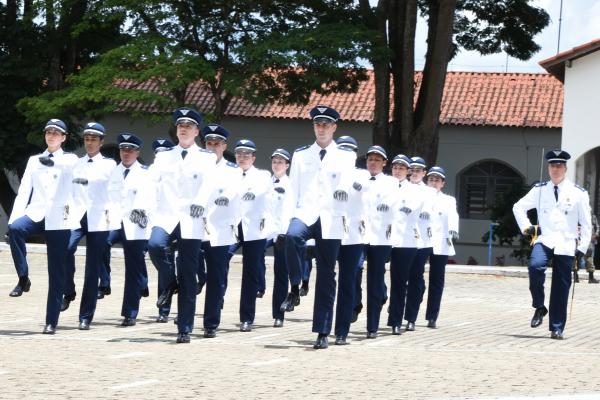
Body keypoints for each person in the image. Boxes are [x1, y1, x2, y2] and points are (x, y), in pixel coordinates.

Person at [282, 105, 355, 349]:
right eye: (317, 124)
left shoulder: (346, 155)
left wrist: (343, 190)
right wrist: (288, 219)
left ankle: (323, 331)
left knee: (327, 274)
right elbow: (293, 189)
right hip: (305, 213)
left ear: (334, 127)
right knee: (292, 237)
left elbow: (346, 179)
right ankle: (296, 284)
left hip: (331, 218)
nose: (321, 128)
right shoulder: (301, 154)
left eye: (326, 124)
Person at [144, 108, 217, 343]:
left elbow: (209, 185)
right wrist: (141, 208)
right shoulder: (164, 156)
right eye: (180, 126)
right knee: (155, 246)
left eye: (188, 126)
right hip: (166, 216)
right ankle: (169, 281)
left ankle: (184, 328)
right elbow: (150, 182)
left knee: (188, 272)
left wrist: (200, 203)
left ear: (196, 131)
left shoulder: (206, 158)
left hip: (191, 218)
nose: (183, 129)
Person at [7, 119, 79, 333]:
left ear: (64, 138)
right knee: (15, 229)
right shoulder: (34, 160)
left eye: (56, 133)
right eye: (48, 132)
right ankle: (23, 278)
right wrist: (13, 219)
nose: (51, 136)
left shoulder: (70, 159)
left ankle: (51, 321)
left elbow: (71, 173)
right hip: (36, 213)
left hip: (59, 219)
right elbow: (24, 191)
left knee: (56, 271)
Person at [513, 149, 591, 339]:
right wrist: (527, 228)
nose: (555, 169)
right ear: (548, 168)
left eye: (559, 166)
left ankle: (557, 327)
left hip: (566, 243)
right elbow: (518, 207)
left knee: (561, 286)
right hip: (545, 239)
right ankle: (539, 306)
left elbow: (586, 224)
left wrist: (581, 249)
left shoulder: (578, 193)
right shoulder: (539, 190)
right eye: (552, 166)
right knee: (535, 266)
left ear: (565, 168)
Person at [65, 122, 119, 330]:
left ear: (101, 142)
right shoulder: (76, 164)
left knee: (92, 268)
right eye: (87, 139)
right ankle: (68, 291)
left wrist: (113, 219)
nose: (89, 142)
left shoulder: (109, 165)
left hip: (98, 218)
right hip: (77, 216)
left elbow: (115, 194)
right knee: (65, 249)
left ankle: (86, 315)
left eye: (93, 139)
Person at [200, 123, 242, 338]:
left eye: (217, 144)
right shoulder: (195, 166)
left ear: (224, 146)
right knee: (190, 272)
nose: (212, 147)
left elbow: (234, 194)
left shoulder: (232, 170)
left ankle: (210, 322)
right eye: (209, 143)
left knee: (216, 277)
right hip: (195, 227)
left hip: (219, 229)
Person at [228, 139, 272, 332]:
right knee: (219, 262)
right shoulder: (228, 174)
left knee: (250, 272)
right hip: (230, 226)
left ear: (253, 158)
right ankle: (215, 305)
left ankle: (247, 317)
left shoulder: (262, 175)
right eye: (239, 154)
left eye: (246, 155)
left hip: (253, 228)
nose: (242, 158)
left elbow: (258, 192)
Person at [107, 133, 151, 326]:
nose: (126, 153)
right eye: (124, 149)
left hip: (135, 223)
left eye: (131, 150)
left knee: (132, 268)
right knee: (100, 246)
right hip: (114, 222)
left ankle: (130, 313)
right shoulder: (111, 172)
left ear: (137, 152)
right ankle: (104, 283)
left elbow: (151, 199)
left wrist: (144, 217)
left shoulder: (145, 173)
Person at [333, 136, 369, 345]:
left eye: (350, 151)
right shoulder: (329, 172)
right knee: (328, 280)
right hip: (331, 231)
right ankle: (325, 326)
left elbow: (360, 190)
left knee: (350, 278)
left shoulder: (362, 175)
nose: (345, 154)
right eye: (342, 150)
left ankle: (343, 328)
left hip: (353, 234)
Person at [361, 146, 399, 339]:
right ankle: (354, 304)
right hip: (358, 235)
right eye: (370, 159)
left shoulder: (391, 182)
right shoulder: (358, 179)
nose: (373, 162)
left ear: (384, 163)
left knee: (375, 280)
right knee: (352, 273)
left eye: (377, 159)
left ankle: (372, 326)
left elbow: (392, 201)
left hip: (379, 236)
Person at [387, 154, 424, 335]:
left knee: (400, 282)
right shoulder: (383, 184)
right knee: (377, 280)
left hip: (404, 241)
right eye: (395, 167)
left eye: (402, 168)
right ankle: (381, 298)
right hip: (381, 238)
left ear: (408, 172)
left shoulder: (415, 191)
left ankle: (395, 320)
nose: (398, 171)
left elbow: (410, 208)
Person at [423, 166, 459, 328]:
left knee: (437, 280)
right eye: (431, 179)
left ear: (443, 183)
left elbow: (453, 215)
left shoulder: (448, 200)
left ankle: (432, 316)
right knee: (415, 276)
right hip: (421, 240)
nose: (433, 182)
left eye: (437, 180)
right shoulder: (419, 195)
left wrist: (453, 229)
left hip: (440, 242)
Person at [404, 156, 436, 332]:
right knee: (400, 278)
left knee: (415, 278)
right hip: (401, 240)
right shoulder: (401, 186)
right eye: (412, 170)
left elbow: (429, 209)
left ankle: (411, 317)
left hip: (421, 241)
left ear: (424, 173)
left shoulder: (430, 192)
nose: (414, 173)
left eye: (418, 170)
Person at [264, 148, 292, 328]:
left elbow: (289, 212)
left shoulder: (291, 185)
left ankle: (278, 315)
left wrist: (284, 233)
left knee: (281, 274)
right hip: (264, 232)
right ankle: (259, 284)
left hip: (281, 234)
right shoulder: (264, 182)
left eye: (280, 162)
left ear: (287, 165)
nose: (276, 164)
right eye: (274, 161)